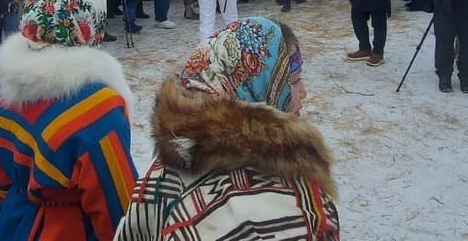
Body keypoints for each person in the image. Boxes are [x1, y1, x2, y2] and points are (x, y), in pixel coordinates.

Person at [116, 18, 338, 240]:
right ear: (257, 85)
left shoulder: (164, 170)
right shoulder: (288, 209)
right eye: (295, 80)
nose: (304, 92)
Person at [0, 0, 136, 241]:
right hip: (70, 230)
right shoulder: (96, 109)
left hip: (11, 224)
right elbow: (117, 210)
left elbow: (2, 179)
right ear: (90, 24)